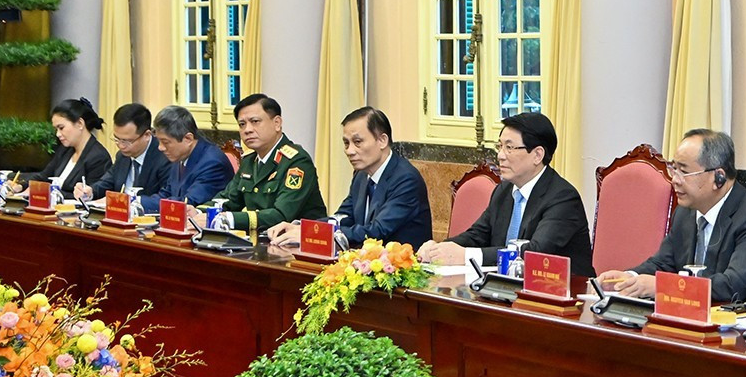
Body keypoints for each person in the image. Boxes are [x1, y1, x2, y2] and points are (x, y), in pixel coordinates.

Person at [599, 129, 746, 305]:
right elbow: (663, 263)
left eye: (684, 171)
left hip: (743, 323)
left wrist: (663, 287)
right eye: (674, 169)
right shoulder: (686, 212)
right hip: (692, 317)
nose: (675, 179)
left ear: (719, 178)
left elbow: (732, 286)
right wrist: (628, 278)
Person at [419, 112, 591, 275]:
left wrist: (466, 256)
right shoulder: (504, 190)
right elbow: (477, 235)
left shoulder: (563, 198)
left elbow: (534, 253)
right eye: (499, 146)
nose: (500, 155)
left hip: (560, 289)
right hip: (505, 287)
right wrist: (438, 250)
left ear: (537, 155)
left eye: (509, 147)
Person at [269, 108, 431, 250]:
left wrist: (314, 234)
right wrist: (304, 228)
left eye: (357, 142)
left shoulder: (405, 179)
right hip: (365, 262)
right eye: (346, 143)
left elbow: (376, 231)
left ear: (382, 140)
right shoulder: (361, 175)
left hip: (401, 268)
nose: (349, 151)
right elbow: (343, 217)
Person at [206, 93, 326, 235]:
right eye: (242, 124)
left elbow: (280, 215)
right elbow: (228, 199)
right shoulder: (250, 161)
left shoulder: (297, 162)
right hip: (262, 239)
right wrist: (197, 212)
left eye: (255, 121)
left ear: (277, 123)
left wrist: (228, 219)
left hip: (300, 242)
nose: (247, 130)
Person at [143, 105, 232, 214]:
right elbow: (166, 194)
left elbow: (188, 203)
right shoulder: (180, 155)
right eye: (159, 141)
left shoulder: (212, 163)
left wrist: (139, 202)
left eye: (165, 142)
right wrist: (137, 202)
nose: (160, 147)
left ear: (188, 139)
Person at [75, 103, 170, 204]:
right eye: (117, 139)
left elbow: (166, 198)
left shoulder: (165, 156)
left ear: (146, 135)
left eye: (126, 141)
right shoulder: (122, 156)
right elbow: (107, 182)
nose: (120, 146)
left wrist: (126, 201)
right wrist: (90, 192)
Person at [25, 98, 111, 199]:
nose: (58, 134)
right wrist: (21, 184)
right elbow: (44, 176)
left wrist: (49, 192)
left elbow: (91, 196)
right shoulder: (65, 150)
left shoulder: (98, 157)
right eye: (56, 129)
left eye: (61, 128)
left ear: (80, 124)